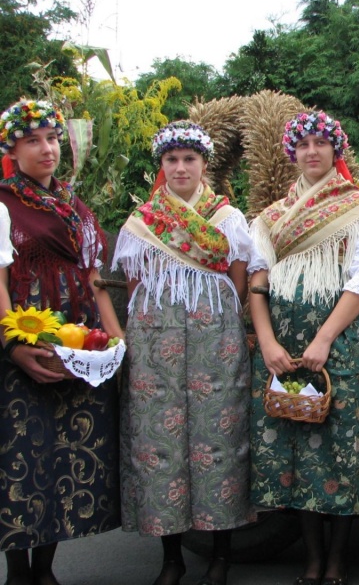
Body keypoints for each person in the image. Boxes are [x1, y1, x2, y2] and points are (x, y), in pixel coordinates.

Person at [248, 111, 359, 585]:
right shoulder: (272, 218)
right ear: (293, 154)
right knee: (295, 443)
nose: (312, 152)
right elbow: (258, 282)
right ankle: (312, 558)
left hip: (339, 341)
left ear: (336, 151)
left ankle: (337, 560)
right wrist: (267, 341)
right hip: (285, 343)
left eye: (321, 144)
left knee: (339, 446)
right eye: (303, 144)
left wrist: (325, 338)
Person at [113, 121, 254, 585]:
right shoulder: (142, 221)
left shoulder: (227, 218)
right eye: (171, 160)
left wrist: (228, 329)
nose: (180, 168)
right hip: (156, 339)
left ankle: (221, 554)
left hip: (216, 334)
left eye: (189, 159)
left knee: (219, 439)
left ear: (204, 165)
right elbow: (134, 284)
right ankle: (171, 556)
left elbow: (237, 283)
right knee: (161, 445)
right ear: (162, 166)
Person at [0, 100, 123, 585]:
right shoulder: (4, 202)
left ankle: (47, 570)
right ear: (12, 149)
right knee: (21, 455)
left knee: (62, 455)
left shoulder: (74, 205)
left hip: (78, 343)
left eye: (51, 138)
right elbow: (1, 281)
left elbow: (94, 279)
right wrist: (12, 344)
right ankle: (17, 571)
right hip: (27, 338)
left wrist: (116, 338)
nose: (46, 148)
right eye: (32, 140)